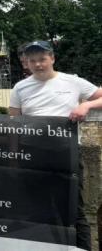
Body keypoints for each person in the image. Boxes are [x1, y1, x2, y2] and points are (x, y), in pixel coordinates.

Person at [9, 40, 102, 250]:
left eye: (42, 59)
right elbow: (13, 124)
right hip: (32, 156)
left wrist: (86, 104)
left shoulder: (73, 82)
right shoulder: (19, 88)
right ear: (27, 63)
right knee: (38, 211)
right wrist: (14, 157)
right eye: (33, 61)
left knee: (74, 210)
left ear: (52, 58)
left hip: (66, 153)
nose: (38, 64)